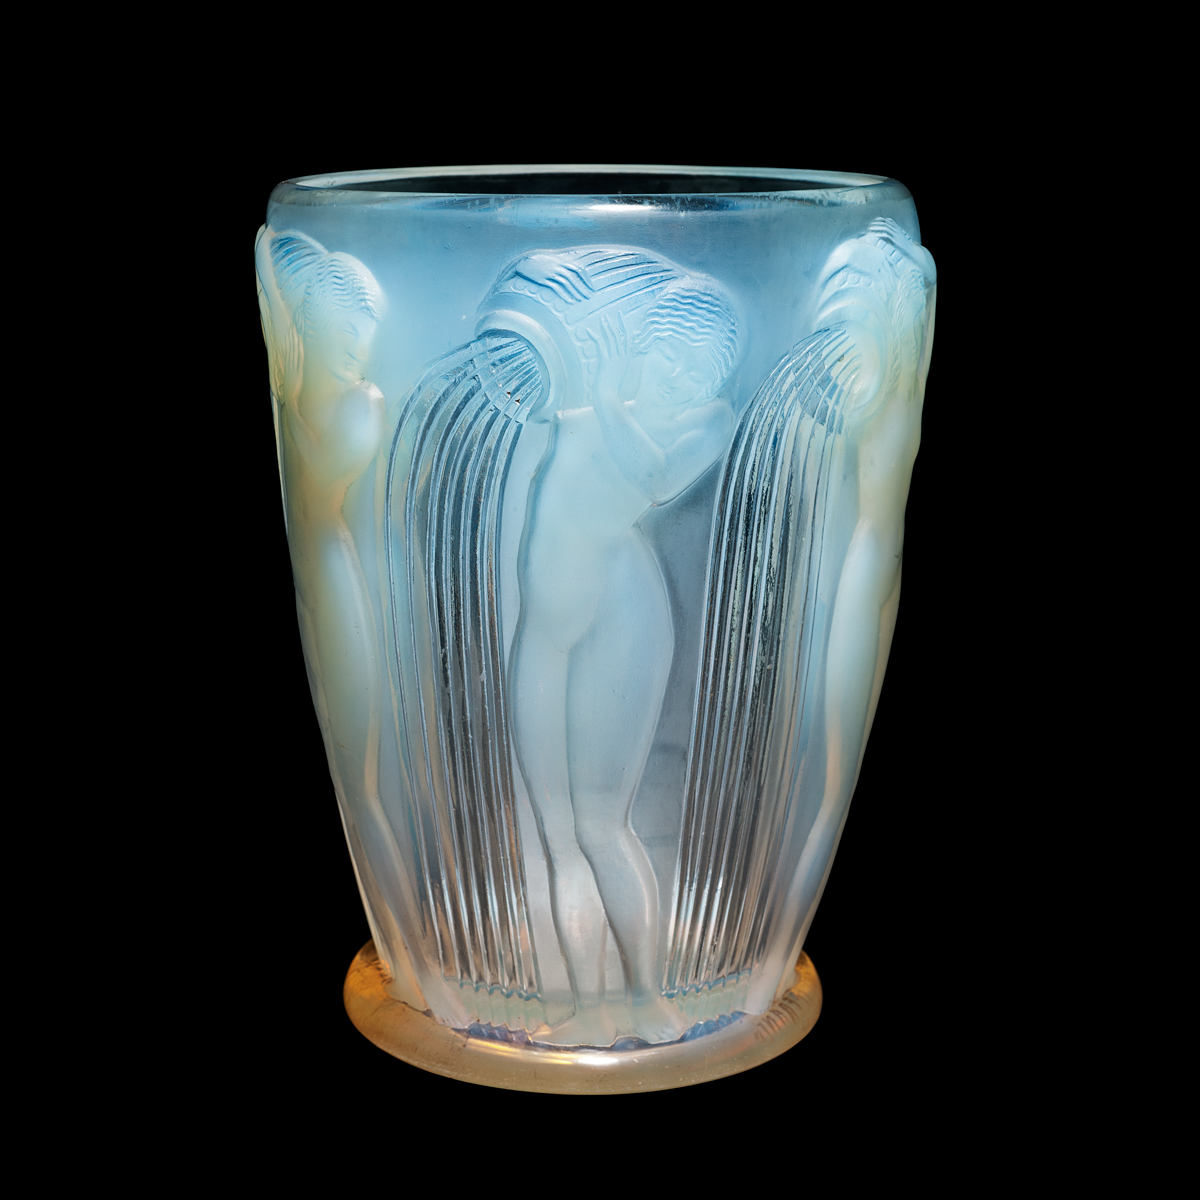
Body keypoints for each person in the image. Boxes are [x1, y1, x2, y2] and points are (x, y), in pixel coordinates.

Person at [508, 278, 739, 1046]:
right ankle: (585, 1006)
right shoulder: (586, 388)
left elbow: (655, 480)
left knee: (602, 823)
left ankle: (646, 995)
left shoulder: (706, 421)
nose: (680, 378)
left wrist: (609, 397)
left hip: (621, 620)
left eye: (700, 371)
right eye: (671, 356)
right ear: (643, 345)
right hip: (545, 629)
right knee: (556, 829)